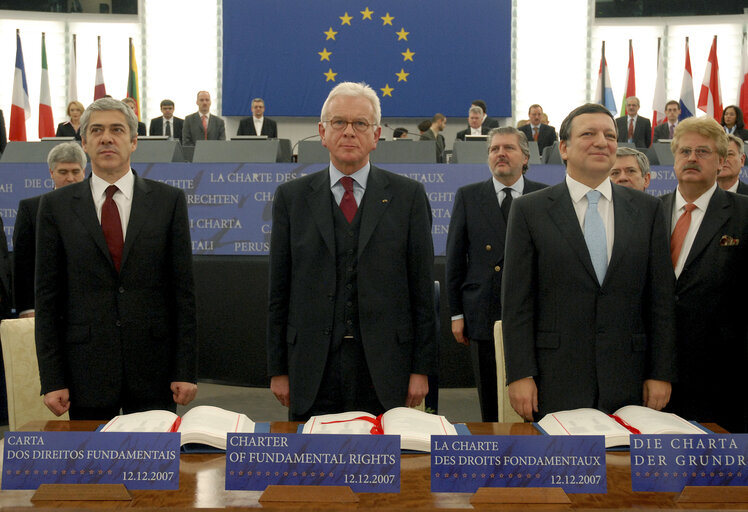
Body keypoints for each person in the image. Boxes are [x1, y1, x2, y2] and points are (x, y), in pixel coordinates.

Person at [267, 82, 437, 421]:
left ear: (375, 135)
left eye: (360, 124)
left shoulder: (409, 197)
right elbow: (279, 291)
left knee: (387, 470)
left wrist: (421, 369)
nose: (349, 132)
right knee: (312, 471)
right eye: (338, 123)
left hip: (387, 369)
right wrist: (278, 369)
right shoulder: (291, 199)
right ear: (322, 132)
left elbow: (421, 292)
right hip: (312, 368)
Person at [502, 103, 676, 421]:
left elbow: (660, 300)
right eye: (589, 133)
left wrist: (661, 372)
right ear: (564, 148)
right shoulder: (530, 210)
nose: (601, 141)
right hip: (554, 377)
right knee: (561, 468)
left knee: (624, 470)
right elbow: (517, 303)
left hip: (630, 377)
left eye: (610, 135)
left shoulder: (648, 210)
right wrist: (520, 374)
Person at [35, 98, 198, 420]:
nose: (106, 138)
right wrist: (52, 379)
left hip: (154, 370)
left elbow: (183, 294)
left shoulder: (168, 202)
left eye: (117, 130)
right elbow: (48, 298)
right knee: (91, 470)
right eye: (96, 130)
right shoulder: (56, 207)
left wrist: (186, 369)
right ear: (84, 142)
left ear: (134, 141)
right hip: (84, 371)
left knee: (153, 466)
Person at [446, 127, 547, 421]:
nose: (500, 153)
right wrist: (456, 314)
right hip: (482, 312)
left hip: (534, 313)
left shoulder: (544, 196)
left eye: (508, 148)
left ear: (525, 157)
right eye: (494, 149)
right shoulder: (468, 196)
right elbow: (455, 260)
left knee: (534, 404)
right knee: (491, 403)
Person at [662, 116, 748, 433]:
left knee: (719, 477)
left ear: (722, 161)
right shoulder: (648, 213)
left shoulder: (743, 213)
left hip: (724, 375)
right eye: (685, 151)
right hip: (656, 376)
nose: (692, 158)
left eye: (703, 152)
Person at [13, 142, 87, 317]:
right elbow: (23, 264)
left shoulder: (99, 207)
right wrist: (27, 309)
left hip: (89, 308)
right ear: (51, 173)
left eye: (76, 172)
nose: (70, 178)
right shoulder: (30, 209)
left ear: (84, 172)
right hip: (46, 310)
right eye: (63, 172)